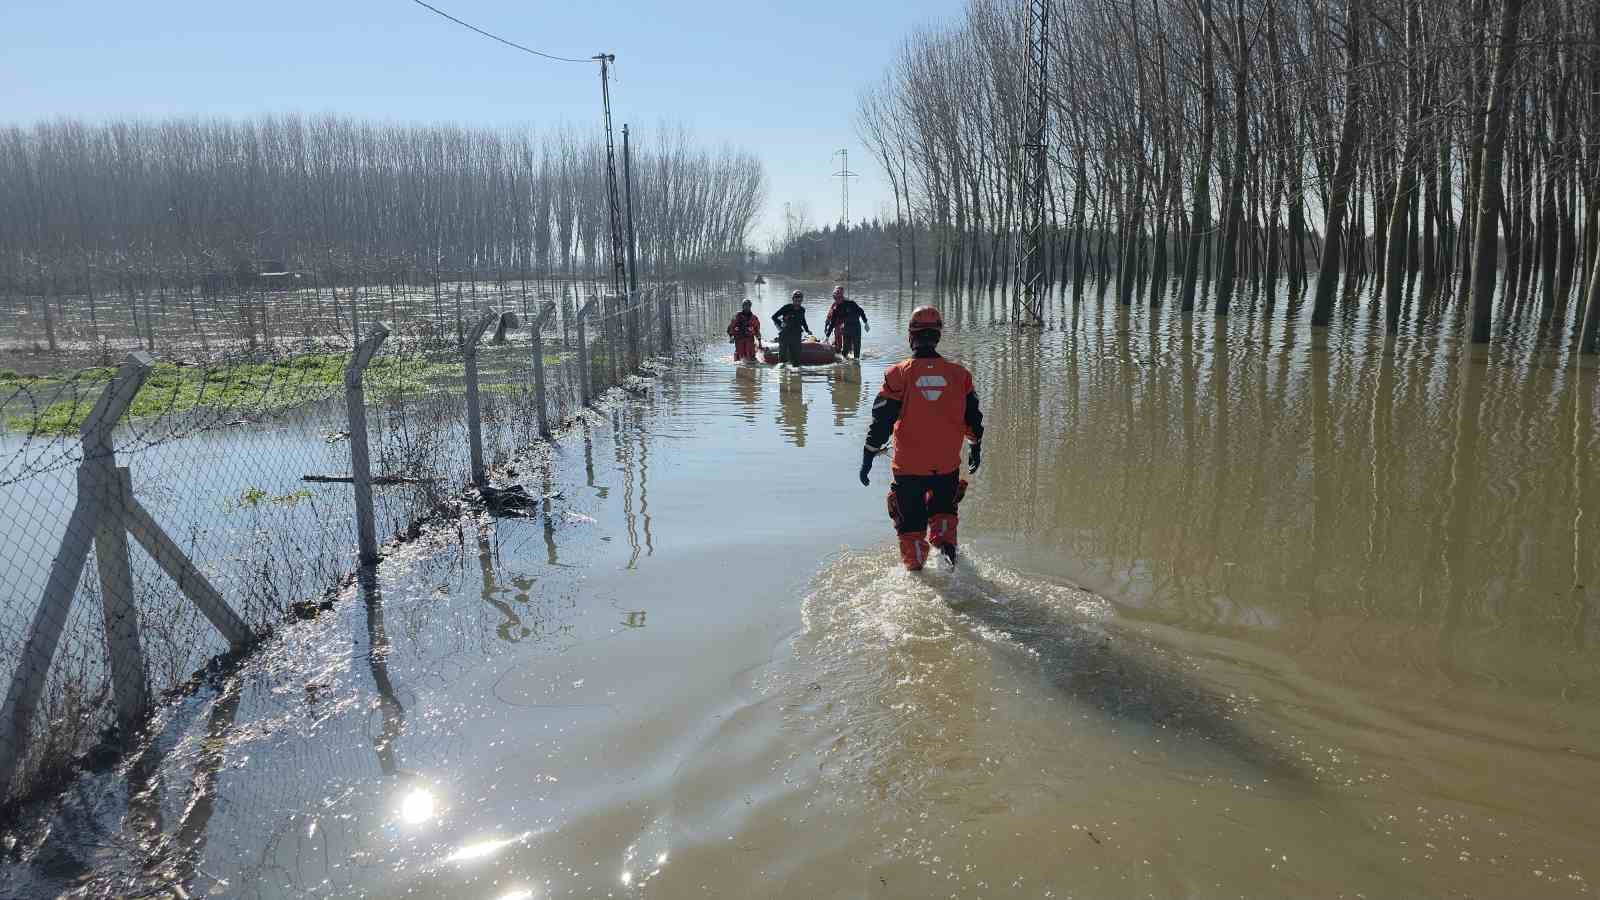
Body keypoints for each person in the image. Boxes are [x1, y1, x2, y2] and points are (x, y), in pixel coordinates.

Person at [858, 305, 983, 571]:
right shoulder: (960, 375)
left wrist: (868, 455)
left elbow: (881, 422)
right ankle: (949, 557)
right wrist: (975, 446)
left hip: (908, 470)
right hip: (946, 467)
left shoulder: (898, 374)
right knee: (945, 515)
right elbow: (973, 420)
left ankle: (916, 569)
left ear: (910, 336)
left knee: (910, 527)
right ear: (938, 336)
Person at [824, 285, 869, 359]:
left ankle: (856, 365)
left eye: (838, 298)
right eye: (835, 298)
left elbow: (861, 311)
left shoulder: (851, 303)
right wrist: (827, 336)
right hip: (846, 327)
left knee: (856, 350)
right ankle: (844, 365)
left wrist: (865, 322)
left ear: (842, 297)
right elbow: (832, 323)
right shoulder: (836, 308)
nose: (837, 300)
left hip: (856, 327)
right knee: (845, 351)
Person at [771, 290, 815, 366]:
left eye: (800, 299)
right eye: (796, 299)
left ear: (802, 300)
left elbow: (803, 321)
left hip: (796, 335)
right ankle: (782, 374)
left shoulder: (802, 310)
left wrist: (807, 330)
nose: (798, 301)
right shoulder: (786, 307)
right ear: (793, 299)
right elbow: (774, 317)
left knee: (796, 358)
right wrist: (781, 323)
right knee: (782, 357)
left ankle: (795, 374)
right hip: (785, 334)